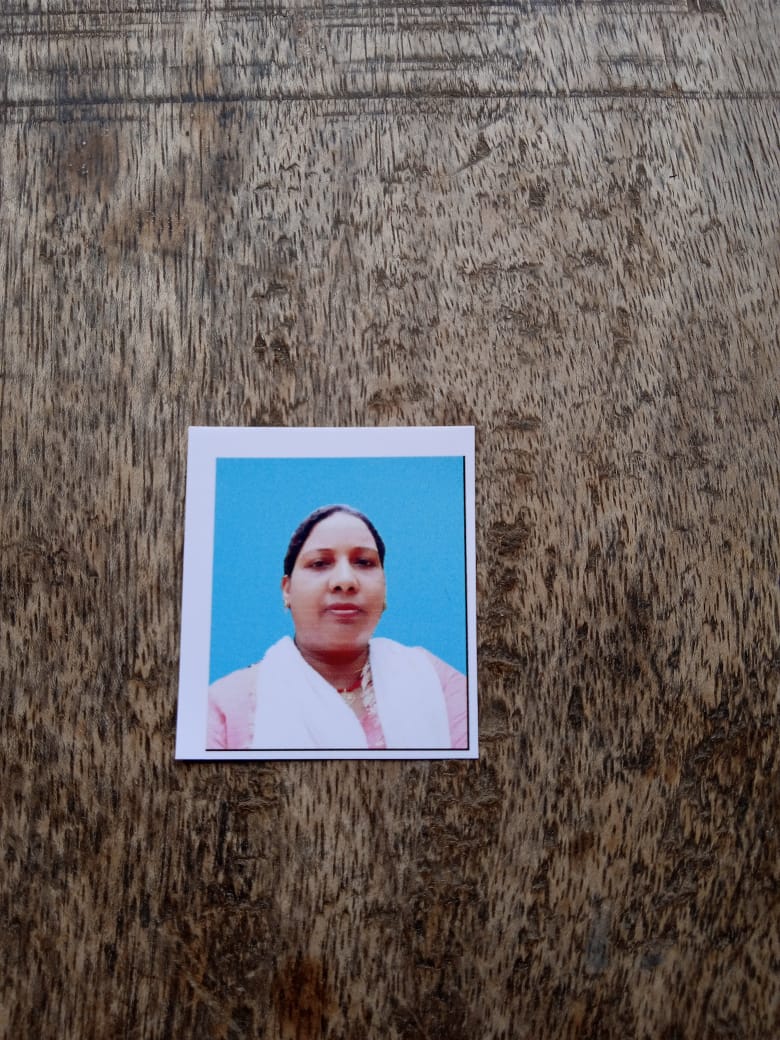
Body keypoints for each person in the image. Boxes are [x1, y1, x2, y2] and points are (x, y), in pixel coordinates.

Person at [207, 504, 468, 750]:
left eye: (364, 562)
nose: (345, 580)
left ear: (385, 588)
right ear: (287, 590)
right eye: (319, 563)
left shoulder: (435, 682)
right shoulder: (225, 708)